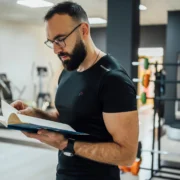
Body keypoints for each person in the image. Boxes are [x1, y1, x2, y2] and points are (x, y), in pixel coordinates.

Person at [11, 1, 139, 180]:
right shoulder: (68, 72)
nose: (56, 49)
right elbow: (66, 116)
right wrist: (35, 114)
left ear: (84, 30)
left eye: (60, 39)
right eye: (51, 42)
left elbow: (127, 155)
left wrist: (66, 144)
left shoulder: (113, 80)